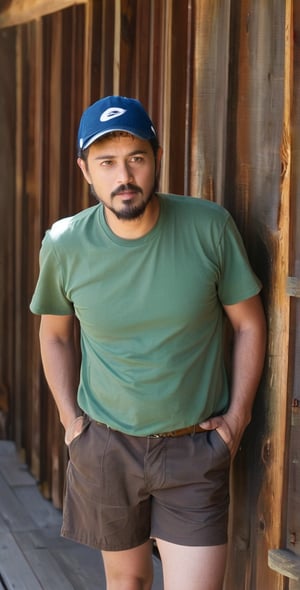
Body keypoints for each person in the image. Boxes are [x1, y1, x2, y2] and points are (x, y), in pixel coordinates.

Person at [30, 95, 266, 590]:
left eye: (136, 158)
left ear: (157, 158)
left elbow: (248, 323)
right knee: (127, 583)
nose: (124, 176)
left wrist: (237, 418)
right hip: (106, 447)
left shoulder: (209, 228)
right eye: (107, 162)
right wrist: (72, 422)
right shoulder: (66, 243)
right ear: (85, 170)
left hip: (194, 449)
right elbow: (53, 335)